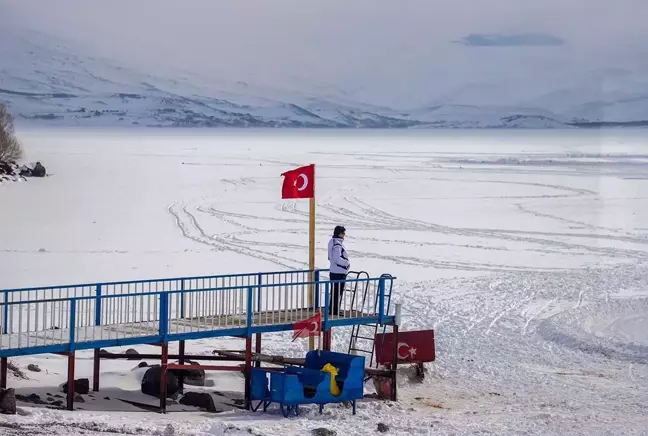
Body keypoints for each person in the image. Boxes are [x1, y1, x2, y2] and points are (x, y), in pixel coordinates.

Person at [328, 225, 350, 316]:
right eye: (343, 233)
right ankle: (335, 310)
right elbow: (336, 258)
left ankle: (333, 309)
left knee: (335, 292)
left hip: (335, 271)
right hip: (338, 272)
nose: (344, 235)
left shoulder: (333, 241)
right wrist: (346, 263)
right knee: (337, 292)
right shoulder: (337, 243)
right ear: (339, 234)